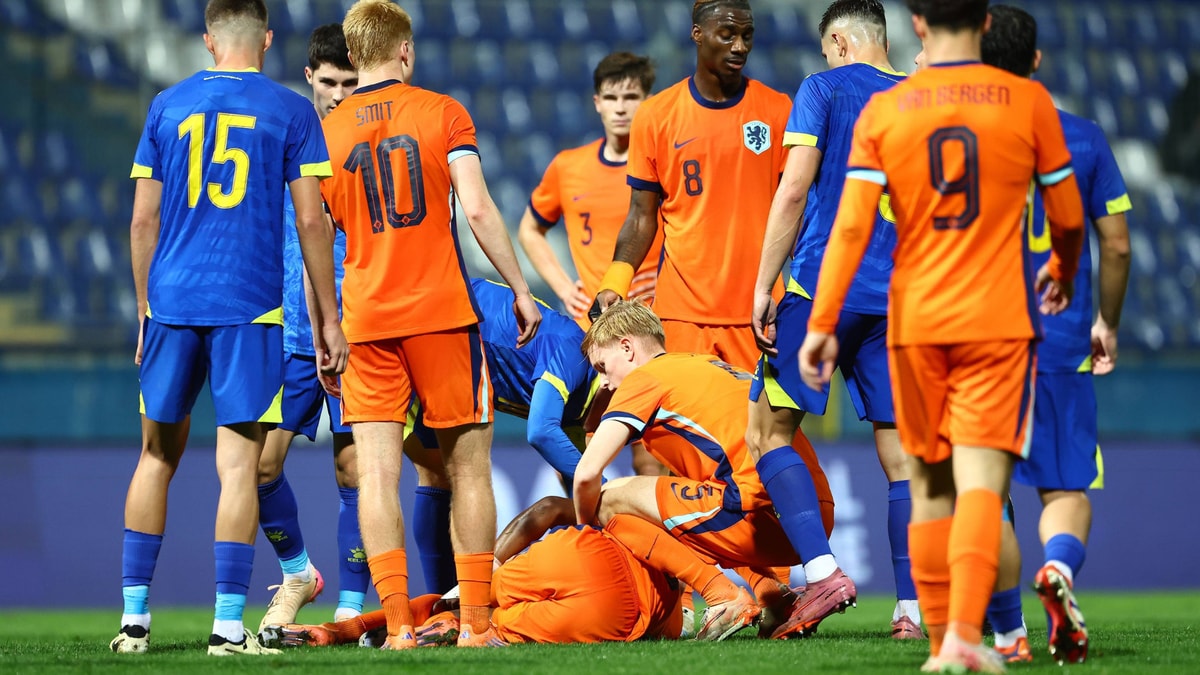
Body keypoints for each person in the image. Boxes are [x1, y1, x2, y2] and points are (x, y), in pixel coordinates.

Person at [798, 0, 1086, 671]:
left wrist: (822, 320)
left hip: (916, 321)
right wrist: (1064, 271)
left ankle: (939, 647)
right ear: (984, 24)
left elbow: (850, 226)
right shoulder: (1028, 102)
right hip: (997, 320)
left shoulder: (887, 110)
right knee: (981, 482)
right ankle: (964, 633)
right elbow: (1068, 219)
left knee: (927, 485)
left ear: (919, 26)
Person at [109, 0, 347, 657]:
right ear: (266, 40)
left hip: (172, 302)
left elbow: (142, 221)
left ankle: (134, 622)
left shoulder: (167, 106)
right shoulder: (291, 110)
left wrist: (143, 308)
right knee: (239, 467)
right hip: (250, 307)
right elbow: (312, 221)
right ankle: (226, 629)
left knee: (155, 456)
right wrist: (328, 319)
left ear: (209, 40)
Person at [318, 0, 541, 650]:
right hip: (442, 314)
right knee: (468, 469)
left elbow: (317, 234)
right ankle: (476, 625)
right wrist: (520, 288)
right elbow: (477, 207)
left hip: (366, 319)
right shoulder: (444, 112)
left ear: (352, 56)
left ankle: (397, 628)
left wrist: (326, 324)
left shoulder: (326, 133)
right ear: (405, 51)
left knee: (376, 474)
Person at [747, 0, 917, 640]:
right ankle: (911, 612)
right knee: (903, 459)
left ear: (840, 42)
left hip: (822, 287)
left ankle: (821, 573)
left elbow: (794, 189)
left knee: (768, 432)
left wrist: (763, 284)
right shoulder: (921, 98)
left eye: (827, 49)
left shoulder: (823, 88)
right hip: (898, 298)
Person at [980, 5, 1132, 665]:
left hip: (979, 337)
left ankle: (1008, 633)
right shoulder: (1085, 139)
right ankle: (1059, 569)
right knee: (1065, 488)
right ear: (1036, 60)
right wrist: (1107, 323)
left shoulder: (959, 138)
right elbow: (1116, 245)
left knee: (984, 491)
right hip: (1061, 338)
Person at [573, 301, 840, 642]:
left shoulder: (644, 379)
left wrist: (587, 532)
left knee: (609, 500)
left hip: (758, 515)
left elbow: (586, 473)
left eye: (602, 366)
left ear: (627, 347)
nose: (604, 383)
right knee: (693, 500)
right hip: (812, 518)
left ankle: (722, 596)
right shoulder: (707, 365)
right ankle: (774, 597)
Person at [591, 0, 790, 373]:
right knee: (681, 413)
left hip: (758, 312)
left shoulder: (777, 110)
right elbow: (641, 215)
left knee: (757, 414)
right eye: (727, 35)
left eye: (747, 36)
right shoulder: (655, 116)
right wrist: (615, 280)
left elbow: (794, 210)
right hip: (681, 315)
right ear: (698, 34)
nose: (739, 46)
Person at [253, 22, 366, 634]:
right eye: (329, 82)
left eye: (350, 82)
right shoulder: (284, 142)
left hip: (358, 336)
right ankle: (299, 570)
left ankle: (352, 607)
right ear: (309, 78)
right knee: (261, 468)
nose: (340, 94)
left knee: (356, 472)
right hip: (292, 339)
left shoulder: (369, 144)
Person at [263, 496, 685, 647]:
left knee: (463, 602)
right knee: (490, 629)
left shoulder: (626, 512)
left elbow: (547, 509)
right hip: (614, 614)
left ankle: (343, 629)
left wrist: (490, 569)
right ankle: (442, 631)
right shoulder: (676, 608)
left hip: (583, 555)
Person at [400, 278, 596, 594]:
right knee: (439, 473)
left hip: (449, 335)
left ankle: (445, 605)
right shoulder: (575, 352)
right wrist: (608, 492)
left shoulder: (581, 408)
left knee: (438, 475)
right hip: (437, 322)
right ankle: (441, 601)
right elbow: (542, 432)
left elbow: (577, 485)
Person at [518, 51, 663, 328]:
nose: (620, 108)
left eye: (630, 97)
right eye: (610, 98)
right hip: (594, 324)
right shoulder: (568, 166)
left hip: (656, 319)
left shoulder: (665, 165)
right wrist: (564, 288)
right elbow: (529, 230)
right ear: (597, 103)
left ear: (648, 101)